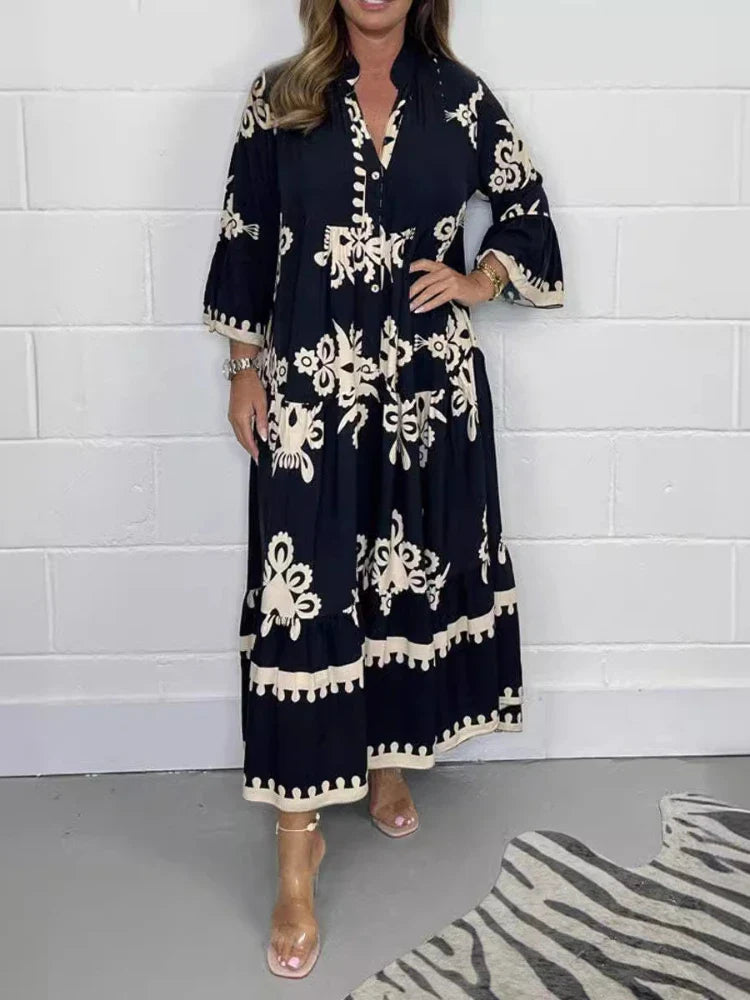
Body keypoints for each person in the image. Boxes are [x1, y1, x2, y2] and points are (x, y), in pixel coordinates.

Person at [202, 0, 563, 979]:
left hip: (427, 393)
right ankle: (296, 849)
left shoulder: (461, 101)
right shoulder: (280, 97)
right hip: (311, 393)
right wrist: (243, 365)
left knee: (401, 576)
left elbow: (526, 207)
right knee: (304, 601)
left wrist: (480, 278)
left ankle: (390, 755)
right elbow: (247, 235)